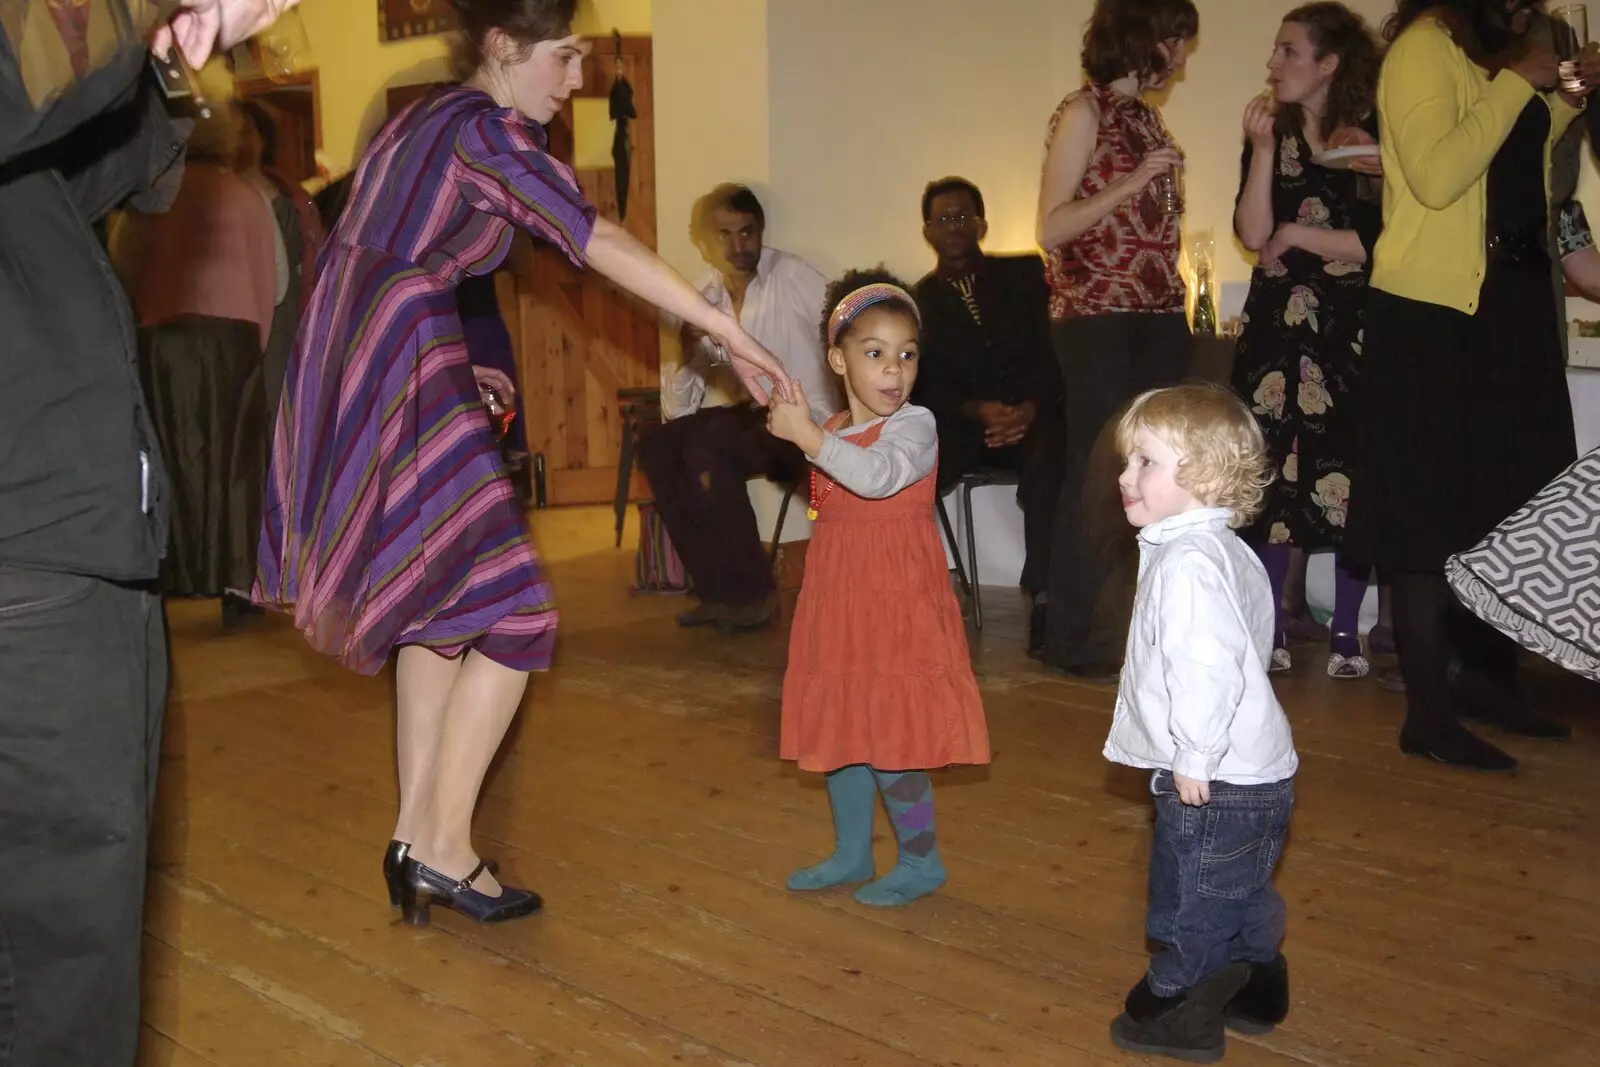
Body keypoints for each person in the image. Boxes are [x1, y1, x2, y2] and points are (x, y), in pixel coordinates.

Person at [255, 0, 791, 926]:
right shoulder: (485, 133)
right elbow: (600, 240)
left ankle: (412, 835)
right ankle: (444, 846)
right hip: (398, 355)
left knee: (437, 605)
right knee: (515, 608)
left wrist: (472, 366)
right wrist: (722, 330)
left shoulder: (422, 116)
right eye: (565, 56)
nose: (576, 79)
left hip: (355, 349)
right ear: (504, 49)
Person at [1, 1, 295, 1062]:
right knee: (61, 935)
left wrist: (170, 59)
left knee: (65, 921)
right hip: (29, 551)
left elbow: (52, 182)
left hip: (60, 535)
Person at [1348, 0, 1580, 772]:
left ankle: (1489, 683)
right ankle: (1427, 713)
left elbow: (1523, 168)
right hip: (1431, 313)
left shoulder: (1496, 62)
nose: (1526, 8)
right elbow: (1440, 177)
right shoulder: (1422, 51)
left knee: (1510, 508)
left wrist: (1567, 97)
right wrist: (1521, 83)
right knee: (1427, 515)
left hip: (1510, 303)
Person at [765, 270, 990, 908]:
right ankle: (851, 852)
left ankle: (921, 862)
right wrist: (804, 425)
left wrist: (807, 435)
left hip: (896, 602)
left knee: (891, 734)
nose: (894, 370)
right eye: (874, 354)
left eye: (907, 354)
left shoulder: (915, 426)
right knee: (841, 727)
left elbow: (876, 476)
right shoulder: (834, 424)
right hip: (839, 599)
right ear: (838, 359)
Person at [1103, 384, 1297, 1064]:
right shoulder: (1223, 548)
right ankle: (1258, 982)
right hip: (1260, 767)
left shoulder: (1186, 563)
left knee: (1190, 895)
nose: (1125, 477)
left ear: (1205, 474)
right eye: (1128, 461)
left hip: (1217, 774)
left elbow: (1207, 666)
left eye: (1145, 462)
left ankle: (1178, 1003)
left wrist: (1194, 752)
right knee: (1238, 883)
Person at [1036, 0, 1199, 678]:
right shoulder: (1085, 112)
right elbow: (1051, 227)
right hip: (1097, 316)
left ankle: (1137, 629)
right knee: (1101, 470)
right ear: (1145, 38)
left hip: (1157, 313)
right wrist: (1135, 181)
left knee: (1161, 472)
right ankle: (1072, 637)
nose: (1184, 59)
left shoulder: (1147, 118)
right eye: (1179, 43)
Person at [1230, 2, 1383, 680]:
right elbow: (1254, 232)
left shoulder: (1372, 136)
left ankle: (1348, 633)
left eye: (1289, 51)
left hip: (1345, 330)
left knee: (1346, 472)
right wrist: (1263, 154)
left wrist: (1298, 236)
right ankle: (1269, 629)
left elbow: (1377, 242)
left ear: (1329, 64)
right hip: (1274, 332)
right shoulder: (1273, 129)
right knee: (1271, 479)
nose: (1273, 63)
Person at [638, 183, 833, 631]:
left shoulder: (792, 276)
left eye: (746, 232)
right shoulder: (699, 295)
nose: (738, 245)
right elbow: (676, 410)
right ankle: (718, 591)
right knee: (659, 445)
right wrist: (686, 350)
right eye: (724, 234)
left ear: (760, 231)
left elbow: (845, 332)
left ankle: (752, 594)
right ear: (705, 241)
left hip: (806, 417)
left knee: (709, 444)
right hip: (750, 420)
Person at [113, 107, 282, 625]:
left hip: (164, 340)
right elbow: (275, 282)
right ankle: (237, 587)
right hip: (235, 339)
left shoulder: (152, 199)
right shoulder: (250, 198)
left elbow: (123, 268)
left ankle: (170, 575)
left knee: (171, 459)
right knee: (236, 467)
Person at [913, 176, 1065, 651]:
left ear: (981, 223)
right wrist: (979, 410)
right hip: (965, 429)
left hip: (1034, 419)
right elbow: (925, 380)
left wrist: (1028, 407)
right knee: (906, 469)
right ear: (928, 232)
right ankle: (910, 600)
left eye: (962, 217)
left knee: (1056, 454)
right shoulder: (917, 301)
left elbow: (1055, 349)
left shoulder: (1026, 274)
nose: (953, 227)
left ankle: (1045, 599)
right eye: (943, 219)